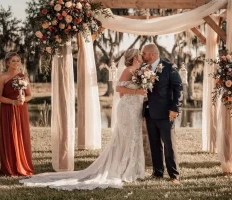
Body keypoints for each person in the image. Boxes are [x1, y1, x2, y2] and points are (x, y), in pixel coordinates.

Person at [19, 49, 147, 190]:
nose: (142, 56)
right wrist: (136, 92)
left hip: (135, 108)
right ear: (135, 56)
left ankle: (133, 167)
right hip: (127, 109)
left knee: (133, 136)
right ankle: (124, 168)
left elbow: (125, 92)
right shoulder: (129, 70)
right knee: (126, 137)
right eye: (140, 54)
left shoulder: (140, 71)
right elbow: (118, 89)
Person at [141, 44, 182, 184]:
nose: (142, 56)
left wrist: (175, 108)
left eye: (144, 53)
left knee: (169, 145)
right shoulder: (144, 68)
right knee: (154, 144)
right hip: (149, 112)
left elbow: (178, 89)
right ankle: (157, 172)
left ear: (152, 54)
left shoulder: (169, 67)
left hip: (166, 113)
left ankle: (174, 175)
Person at [0, 52, 34, 176]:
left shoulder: (23, 77)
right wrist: (12, 101)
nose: (16, 63)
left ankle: (23, 165)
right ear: (8, 63)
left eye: (18, 61)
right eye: (13, 61)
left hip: (21, 110)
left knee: (21, 134)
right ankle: (9, 167)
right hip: (8, 110)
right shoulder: (2, 77)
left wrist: (24, 100)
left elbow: (30, 95)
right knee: (9, 135)